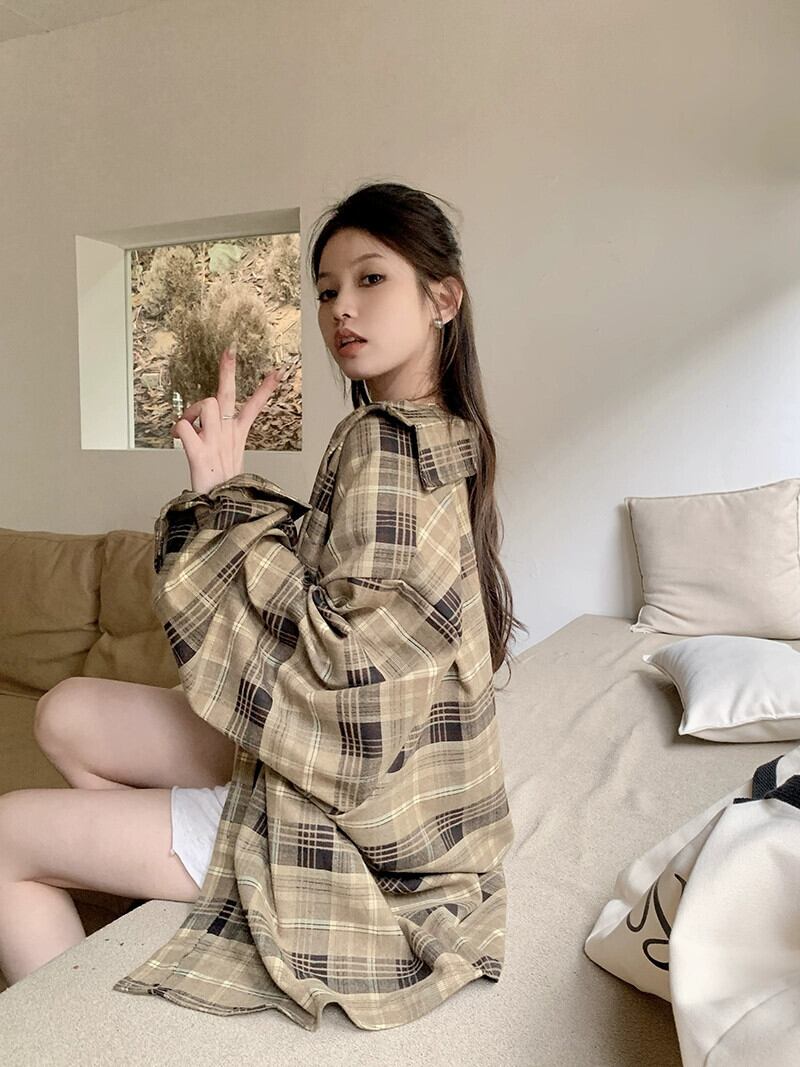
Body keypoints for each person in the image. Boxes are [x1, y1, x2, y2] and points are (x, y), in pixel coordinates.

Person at [0, 181, 527, 1028]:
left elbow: (345, 673)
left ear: (443, 299)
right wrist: (228, 491)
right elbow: (344, 598)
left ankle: (85, 1028)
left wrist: (221, 499)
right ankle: (147, 878)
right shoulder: (442, 431)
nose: (341, 308)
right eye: (326, 289)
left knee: (4, 837)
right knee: (63, 710)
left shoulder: (387, 441)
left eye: (370, 278)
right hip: (358, 771)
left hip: (336, 806)